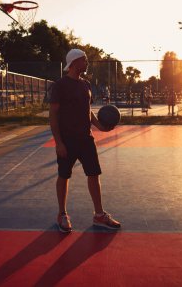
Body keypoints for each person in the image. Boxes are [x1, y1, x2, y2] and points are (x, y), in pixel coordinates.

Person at [49, 49, 121, 233]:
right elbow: (53, 115)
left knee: (94, 174)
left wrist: (100, 127)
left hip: (86, 139)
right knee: (64, 175)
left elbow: (87, 110)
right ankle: (62, 214)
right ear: (74, 62)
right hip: (67, 140)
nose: (87, 62)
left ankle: (99, 215)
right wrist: (59, 142)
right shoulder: (60, 85)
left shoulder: (86, 85)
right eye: (84, 60)